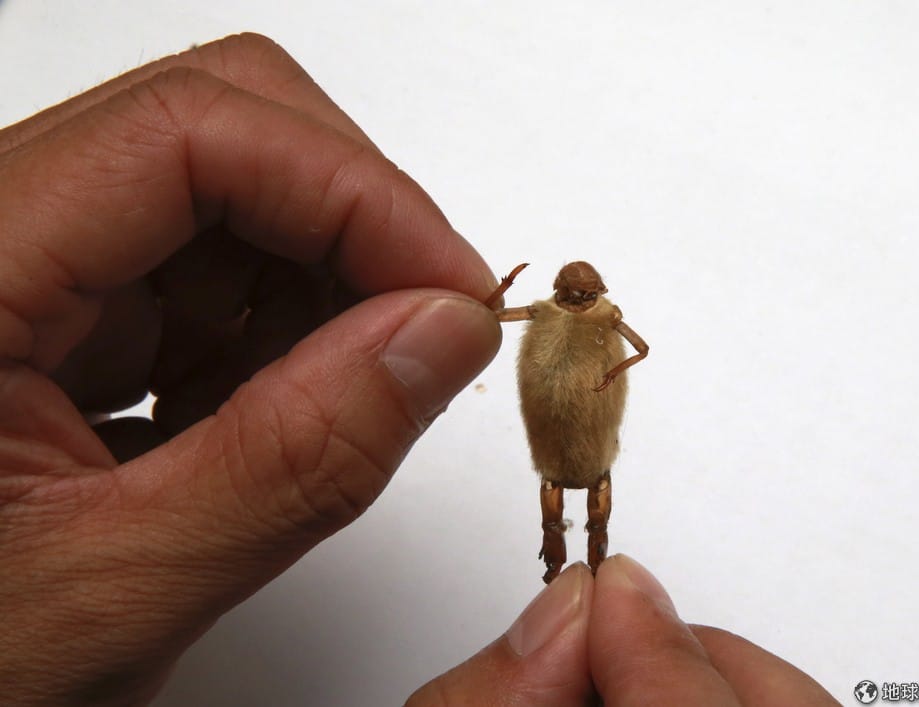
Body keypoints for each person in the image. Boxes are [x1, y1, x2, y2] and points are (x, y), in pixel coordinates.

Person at [0, 33, 838, 706]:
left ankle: (596, 558)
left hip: (594, 435)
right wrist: (485, 301)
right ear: (564, 289)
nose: (578, 298)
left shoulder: (606, 321)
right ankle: (562, 567)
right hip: (557, 444)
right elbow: (497, 319)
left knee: (598, 495)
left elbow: (641, 346)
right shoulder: (551, 314)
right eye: (571, 291)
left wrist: (612, 372)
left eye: (583, 292)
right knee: (557, 496)